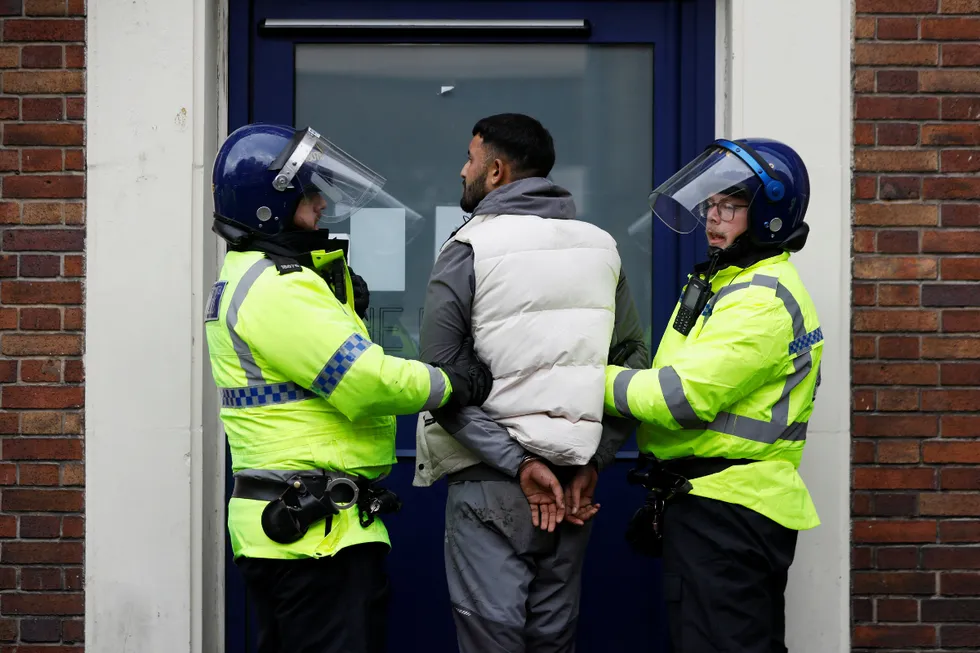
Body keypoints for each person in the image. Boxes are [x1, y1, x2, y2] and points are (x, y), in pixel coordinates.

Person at [204, 122, 493, 653]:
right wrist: (453, 382)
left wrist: (342, 306)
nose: (319, 202)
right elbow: (364, 382)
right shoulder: (278, 288)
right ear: (272, 203)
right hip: (316, 536)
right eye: (307, 191)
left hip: (298, 527)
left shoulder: (257, 276)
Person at [414, 113, 648, 652]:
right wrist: (595, 458)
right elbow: (631, 360)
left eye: (470, 159)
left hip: (491, 483)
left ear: (495, 171)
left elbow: (440, 380)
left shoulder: (469, 246)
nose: (462, 169)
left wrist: (520, 464)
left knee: (491, 640)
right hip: (570, 487)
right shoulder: (600, 247)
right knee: (553, 640)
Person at [604, 138, 822, 653]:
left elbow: (678, 398)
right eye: (711, 203)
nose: (713, 217)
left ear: (768, 214)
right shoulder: (726, 283)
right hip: (714, 503)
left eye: (731, 205)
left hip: (728, 510)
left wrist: (583, 379)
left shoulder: (760, 300)